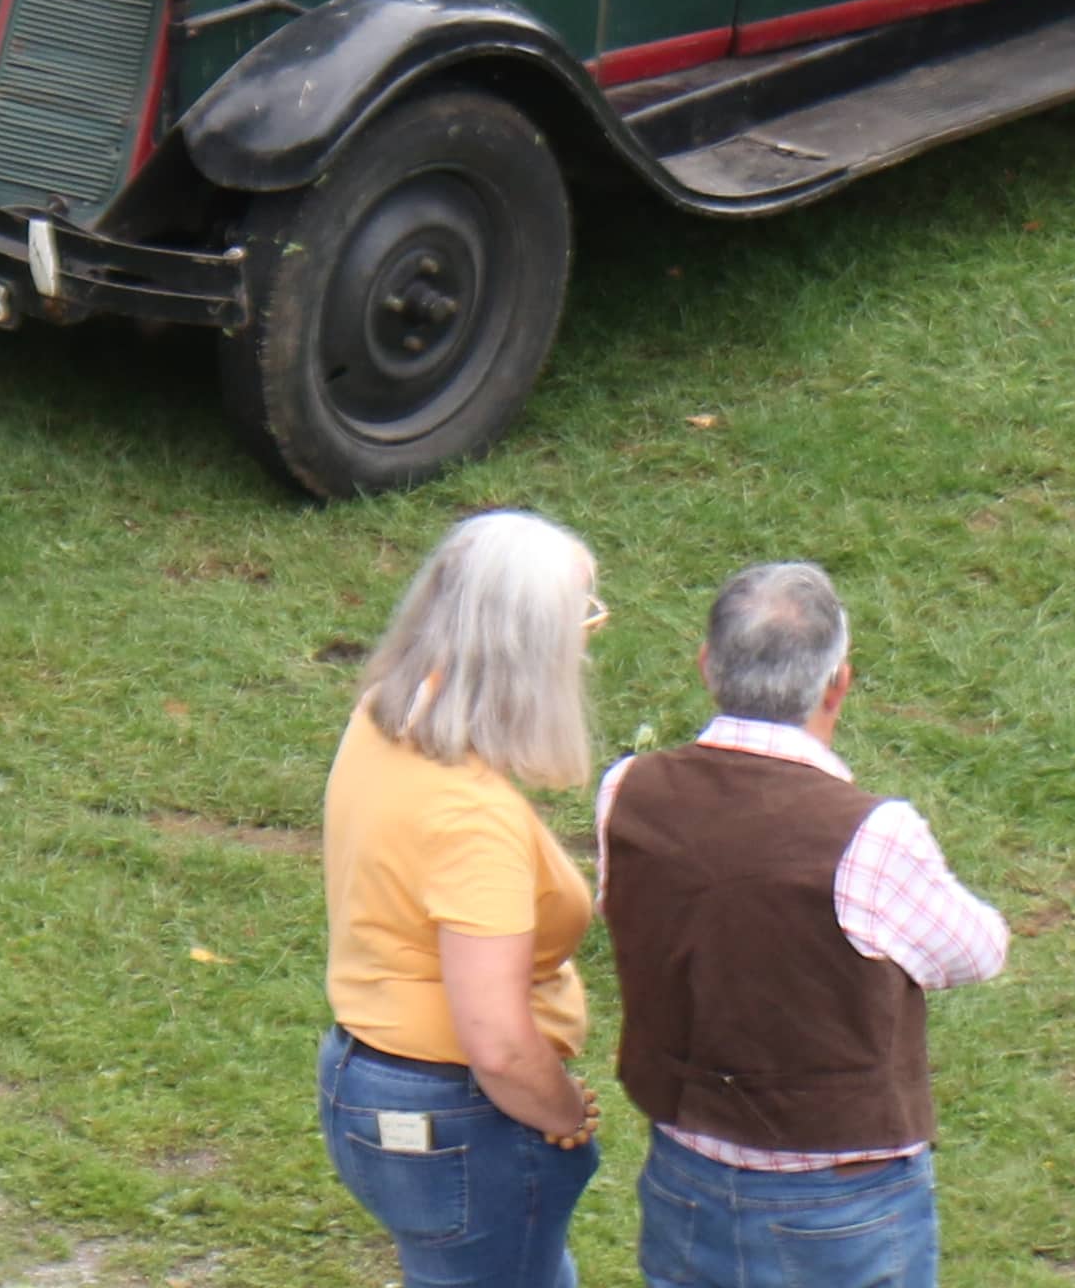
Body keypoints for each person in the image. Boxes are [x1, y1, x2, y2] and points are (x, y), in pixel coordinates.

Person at [599, 563, 1014, 1288]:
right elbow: (976, 951)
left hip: (684, 1171)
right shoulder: (872, 834)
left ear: (707, 666)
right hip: (838, 1204)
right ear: (838, 684)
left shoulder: (626, 790)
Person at [318, 509, 609, 1286]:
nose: (587, 637)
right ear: (529, 647)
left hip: (363, 1075)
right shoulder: (470, 820)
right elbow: (501, 1045)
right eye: (579, 617)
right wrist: (562, 1117)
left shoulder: (389, 713)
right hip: (460, 1114)